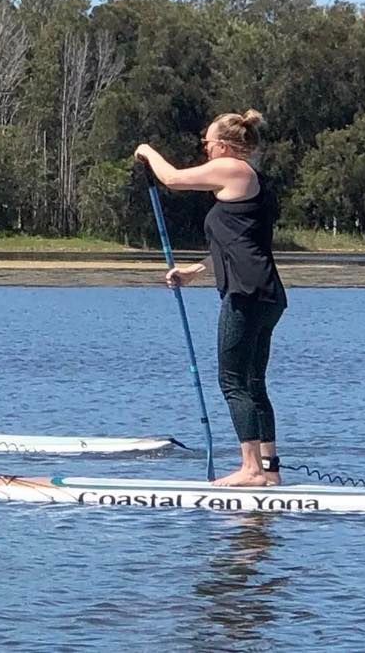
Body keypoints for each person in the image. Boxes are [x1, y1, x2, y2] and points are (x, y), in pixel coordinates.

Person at [134, 109, 287, 487]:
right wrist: (193, 271)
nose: (205, 149)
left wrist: (146, 151)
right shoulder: (251, 179)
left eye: (206, 143)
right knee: (253, 381)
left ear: (223, 145)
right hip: (265, 292)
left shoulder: (233, 168)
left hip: (246, 294)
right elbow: (236, 244)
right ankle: (270, 471)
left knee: (232, 380)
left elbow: (171, 179)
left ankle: (250, 469)